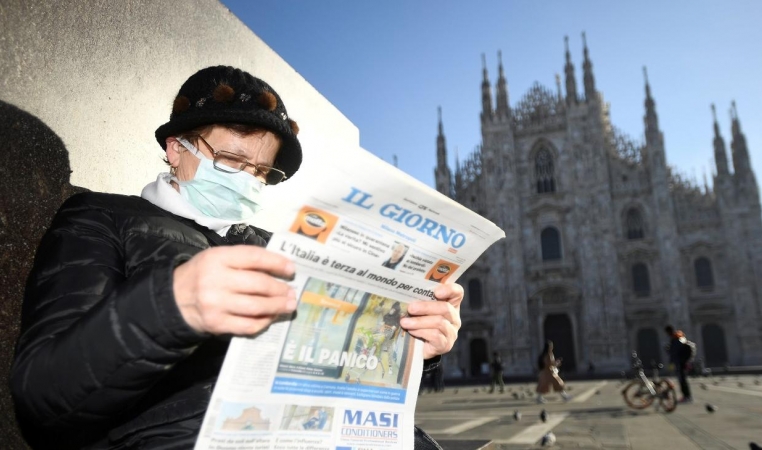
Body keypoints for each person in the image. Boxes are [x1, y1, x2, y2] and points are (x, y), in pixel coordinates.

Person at [10, 66, 464, 449]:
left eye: (261, 172)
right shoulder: (103, 217)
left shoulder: (274, 244)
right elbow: (44, 398)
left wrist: (413, 347)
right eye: (232, 160)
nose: (248, 181)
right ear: (176, 148)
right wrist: (171, 306)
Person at [665, 325, 693, 403]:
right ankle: (687, 396)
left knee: (682, 380)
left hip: (680, 362)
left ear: (668, 332)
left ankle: (687, 397)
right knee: (683, 380)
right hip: (683, 361)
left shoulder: (675, 339)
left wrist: (671, 364)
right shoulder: (680, 337)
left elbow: (674, 353)